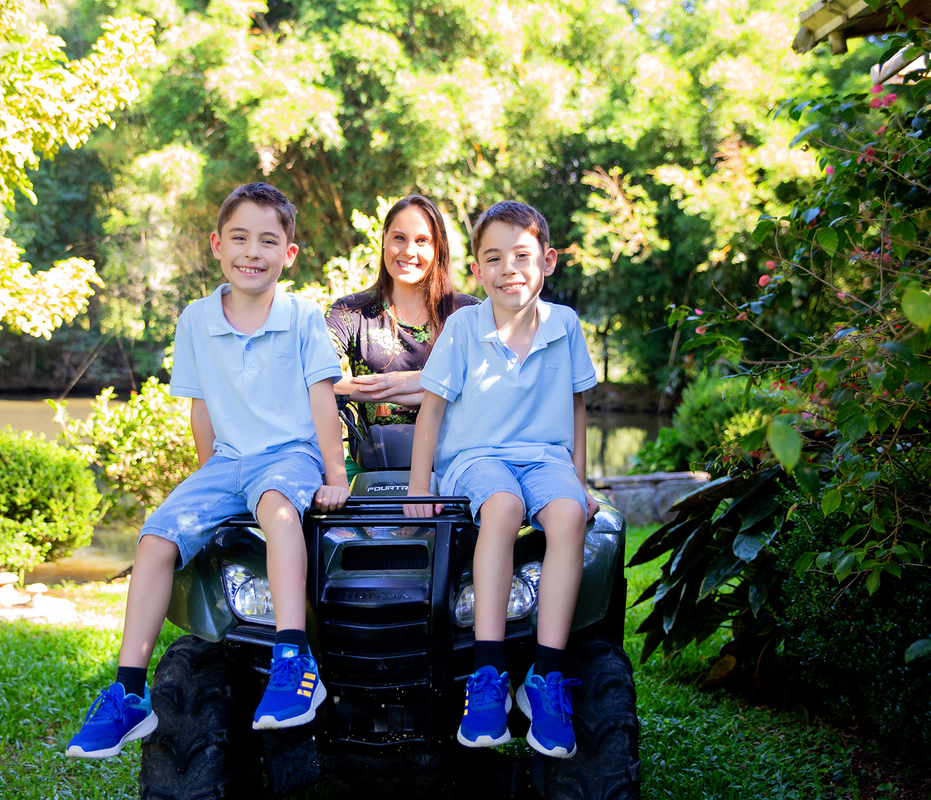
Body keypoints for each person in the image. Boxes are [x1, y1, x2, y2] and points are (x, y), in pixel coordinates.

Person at [66, 183, 350, 759]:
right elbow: (201, 408)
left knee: (276, 510)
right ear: (217, 246)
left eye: (269, 240)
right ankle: (127, 692)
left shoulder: (301, 316)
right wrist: (204, 491)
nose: (253, 251)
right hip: (226, 463)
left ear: (288, 255)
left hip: (289, 455)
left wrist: (336, 474)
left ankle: (294, 660)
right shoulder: (196, 319)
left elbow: (323, 399)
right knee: (154, 537)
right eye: (240, 238)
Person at [403, 200, 598, 759]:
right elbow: (433, 411)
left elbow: (577, 408)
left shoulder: (565, 325)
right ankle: (487, 673)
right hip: (477, 455)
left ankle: (547, 675)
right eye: (493, 258)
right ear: (477, 270)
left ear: (548, 260)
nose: (509, 268)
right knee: (505, 508)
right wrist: (421, 486)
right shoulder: (464, 327)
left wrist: (578, 481)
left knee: (567, 516)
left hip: (546, 457)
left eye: (522, 255)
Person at [326, 196, 478, 476]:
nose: (409, 251)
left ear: (438, 248)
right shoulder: (350, 312)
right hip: (369, 466)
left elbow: (490, 381)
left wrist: (423, 383)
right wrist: (385, 389)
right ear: (384, 239)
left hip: (456, 463)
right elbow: (313, 375)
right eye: (399, 237)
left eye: (422, 241)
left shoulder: (468, 313)